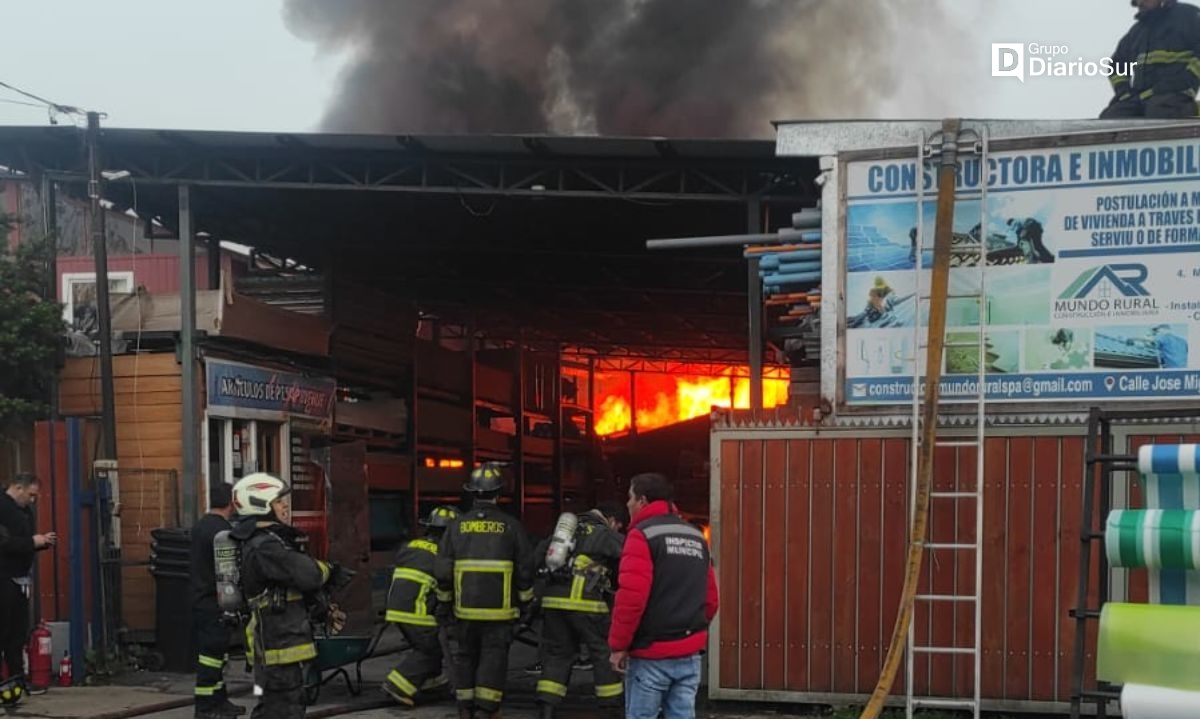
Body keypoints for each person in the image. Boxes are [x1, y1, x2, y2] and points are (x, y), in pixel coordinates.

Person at [231, 473, 352, 719]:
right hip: (278, 648)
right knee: (284, 709)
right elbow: (306, 573)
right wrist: (329, 571)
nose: (285, 505)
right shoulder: (265, 546)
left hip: (278, 647)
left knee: (272, 709)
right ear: (259, 505)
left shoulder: (268, 541)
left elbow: (291, 587)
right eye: (278, 501)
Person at [608, 473, 718, 719]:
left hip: (651, 655)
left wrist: (618, 646)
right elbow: (711, 599)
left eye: (630, 498)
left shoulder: (642, 536)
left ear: (643, 501)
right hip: (689, 655)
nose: (627, 504)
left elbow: (631, 599)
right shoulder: (696, 536)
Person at [435, 463, 534, 719]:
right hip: (499, 614)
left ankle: (465, 707)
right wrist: (526, 604)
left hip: (464, 611)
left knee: (465, 656)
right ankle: (486, 710)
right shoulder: (511, 526)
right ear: (498, 494)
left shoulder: (456, 527)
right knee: (493, 658)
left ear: (472, 493)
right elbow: (524, 569)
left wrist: (444, 605)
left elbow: (443, 571)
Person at [533, 504, 627, 719]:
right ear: (611, 519)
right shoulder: (605, 533)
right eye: (618, 526)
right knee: (603, 654)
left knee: (557, 655)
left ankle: (547, 709)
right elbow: (628, 558)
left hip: (553, 603)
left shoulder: (562, 533)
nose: (617, 529)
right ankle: (610, 709)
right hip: (587, 605)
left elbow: (537, 558)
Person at [381, 505, 458, 707]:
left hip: (395, 609)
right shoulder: (444, 555)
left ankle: (431, 683)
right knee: (431, 650)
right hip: (417, 611)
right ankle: (397, 685)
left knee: (424, 646)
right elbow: (445, 585)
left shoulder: (411, 546)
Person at [190, 483, 245, 718]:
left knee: (218, 655)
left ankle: (220, 701)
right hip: (216, 601)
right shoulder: (224, 532)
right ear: (231, 503)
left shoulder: (200, 526)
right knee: (211, 658)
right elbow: (230, 570)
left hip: (201, 598)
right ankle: (205, 707)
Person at [0, 473, 56, 682]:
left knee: (17, 634)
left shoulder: (25, 511)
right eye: (31, 495)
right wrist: (32, 542)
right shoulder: (3, 508)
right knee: (4, 631)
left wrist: (41, 543)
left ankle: (16, 680)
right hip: (4, 577)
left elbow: (22, 542)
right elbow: (4, 544)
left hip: (20, 578)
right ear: (18, 488)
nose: (32, 500)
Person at [1101, 0, 1200, 118]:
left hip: (1176, 93)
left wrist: (1186, 79)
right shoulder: (1137, 31)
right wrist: (1123, 91)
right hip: (1141, 96)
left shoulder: (1188, 16)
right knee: (1111, 116)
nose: (1140, 3)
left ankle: (1195, 109)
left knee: (1160, 111)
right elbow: (1116, 64)